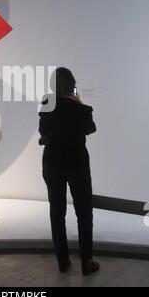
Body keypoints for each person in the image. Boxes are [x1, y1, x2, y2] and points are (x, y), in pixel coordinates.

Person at [39, 67, 100, 276]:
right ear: (72, 84)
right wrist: (79, 103)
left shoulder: (47, 103)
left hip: (52, 164)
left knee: (57, 213)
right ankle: (86, 261)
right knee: (84, 213)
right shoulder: (80, 108)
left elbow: (43, 131)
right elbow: (90, 129)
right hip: (77, 164)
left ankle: (63, 261)